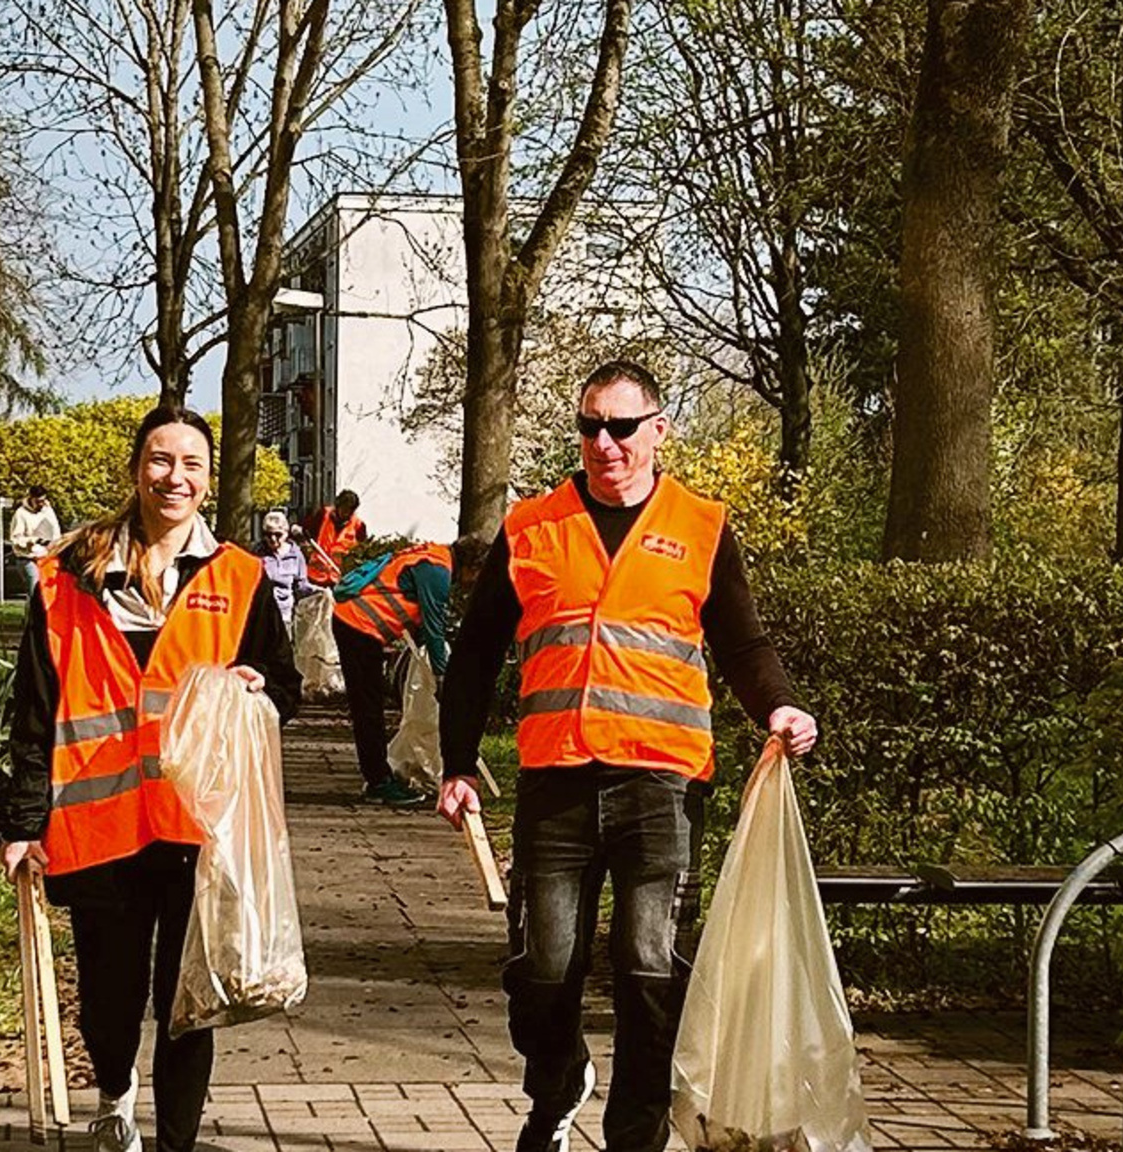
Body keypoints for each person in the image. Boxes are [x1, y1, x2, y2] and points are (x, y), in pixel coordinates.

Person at [436, 360, 819, 1152]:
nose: (604, 443)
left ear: (658, 430)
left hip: (663, 785)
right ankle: (558, 1079)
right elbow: (473, 657)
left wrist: (778, 703)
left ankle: (634, 1136)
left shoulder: (703, 527)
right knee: (544, 970)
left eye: (620, 426)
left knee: (648, 970)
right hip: (557, 785)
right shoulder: (532, 528)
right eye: (590, 427)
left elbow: (743, 642)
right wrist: (457, 764)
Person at [0, 405, 301, 1152]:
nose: (177, 477)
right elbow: (34, 710)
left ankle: (174, 1143)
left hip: (196, 830)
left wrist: (259, 689)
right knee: (109, 1000)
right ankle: (115, 1091)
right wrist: (19, 823)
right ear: (137, 470)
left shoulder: (240, 577)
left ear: (208, 478)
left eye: (192, 464)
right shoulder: (67, 578)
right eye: (162, 460)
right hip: (98, 827)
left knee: (186, 1000)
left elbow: (284, 686)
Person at [330, 539, 452, 806]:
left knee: (369, 704)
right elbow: (434, 627)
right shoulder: (437, 571)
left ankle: (378, 775)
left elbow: (414, 616)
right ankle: (378, 782)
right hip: (358, 627)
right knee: (368, 707)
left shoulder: (428, 557)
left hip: (353, 623)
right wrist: (441, 678)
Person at [256, 509, 317, 624]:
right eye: (268, 535)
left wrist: (320, 592)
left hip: (285, 616)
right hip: (263, 616)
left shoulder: (296, 555)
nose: (273, 539)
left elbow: (302, 586)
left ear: (286, 533)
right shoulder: (257, 554)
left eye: (278, 534)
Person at [300, 489, 366, 586]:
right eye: (344, 509)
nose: (345, 513)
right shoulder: (323, 515)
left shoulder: (358, 526)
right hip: (316, 576)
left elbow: (361, 553)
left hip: (341, 579)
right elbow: (305, 531)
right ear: (338, 505)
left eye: (349, 510)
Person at [10, 485, 63, 588]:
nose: (41, 504)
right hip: (28, 558)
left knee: (49, 589)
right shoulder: (20, 514)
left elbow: (56, 532)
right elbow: (16, 539)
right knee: (35, 585)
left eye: (43, 500)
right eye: (38, 501)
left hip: (47, 557)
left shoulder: (48, 511)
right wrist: (33, 541)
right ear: (31, 498)